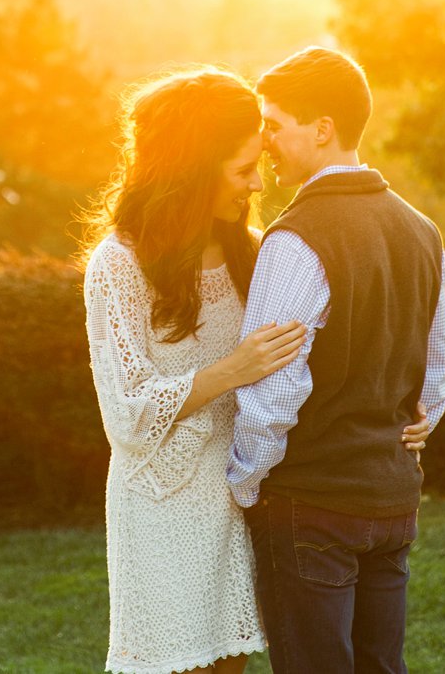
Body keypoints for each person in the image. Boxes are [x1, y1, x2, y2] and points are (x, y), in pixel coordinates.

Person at [228, 47, 445, 674]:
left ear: (322, 128)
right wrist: (413, 428)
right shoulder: (422, 230)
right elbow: (436, 376)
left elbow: (272, 388)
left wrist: (244, 485)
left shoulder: (297, 237)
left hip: (311, 506)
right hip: (392, 503)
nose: (264, 140)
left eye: (274, 123)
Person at [80, 67, 304, 674]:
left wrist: (398, 398)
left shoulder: (251, 250)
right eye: (241, 170)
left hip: (237, 497)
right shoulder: (119, 263)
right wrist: (232, 370)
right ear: (194, 168)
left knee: (230, 664)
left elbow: (304, 350)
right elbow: (127, 415)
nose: (257, 184)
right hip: (159, 507)